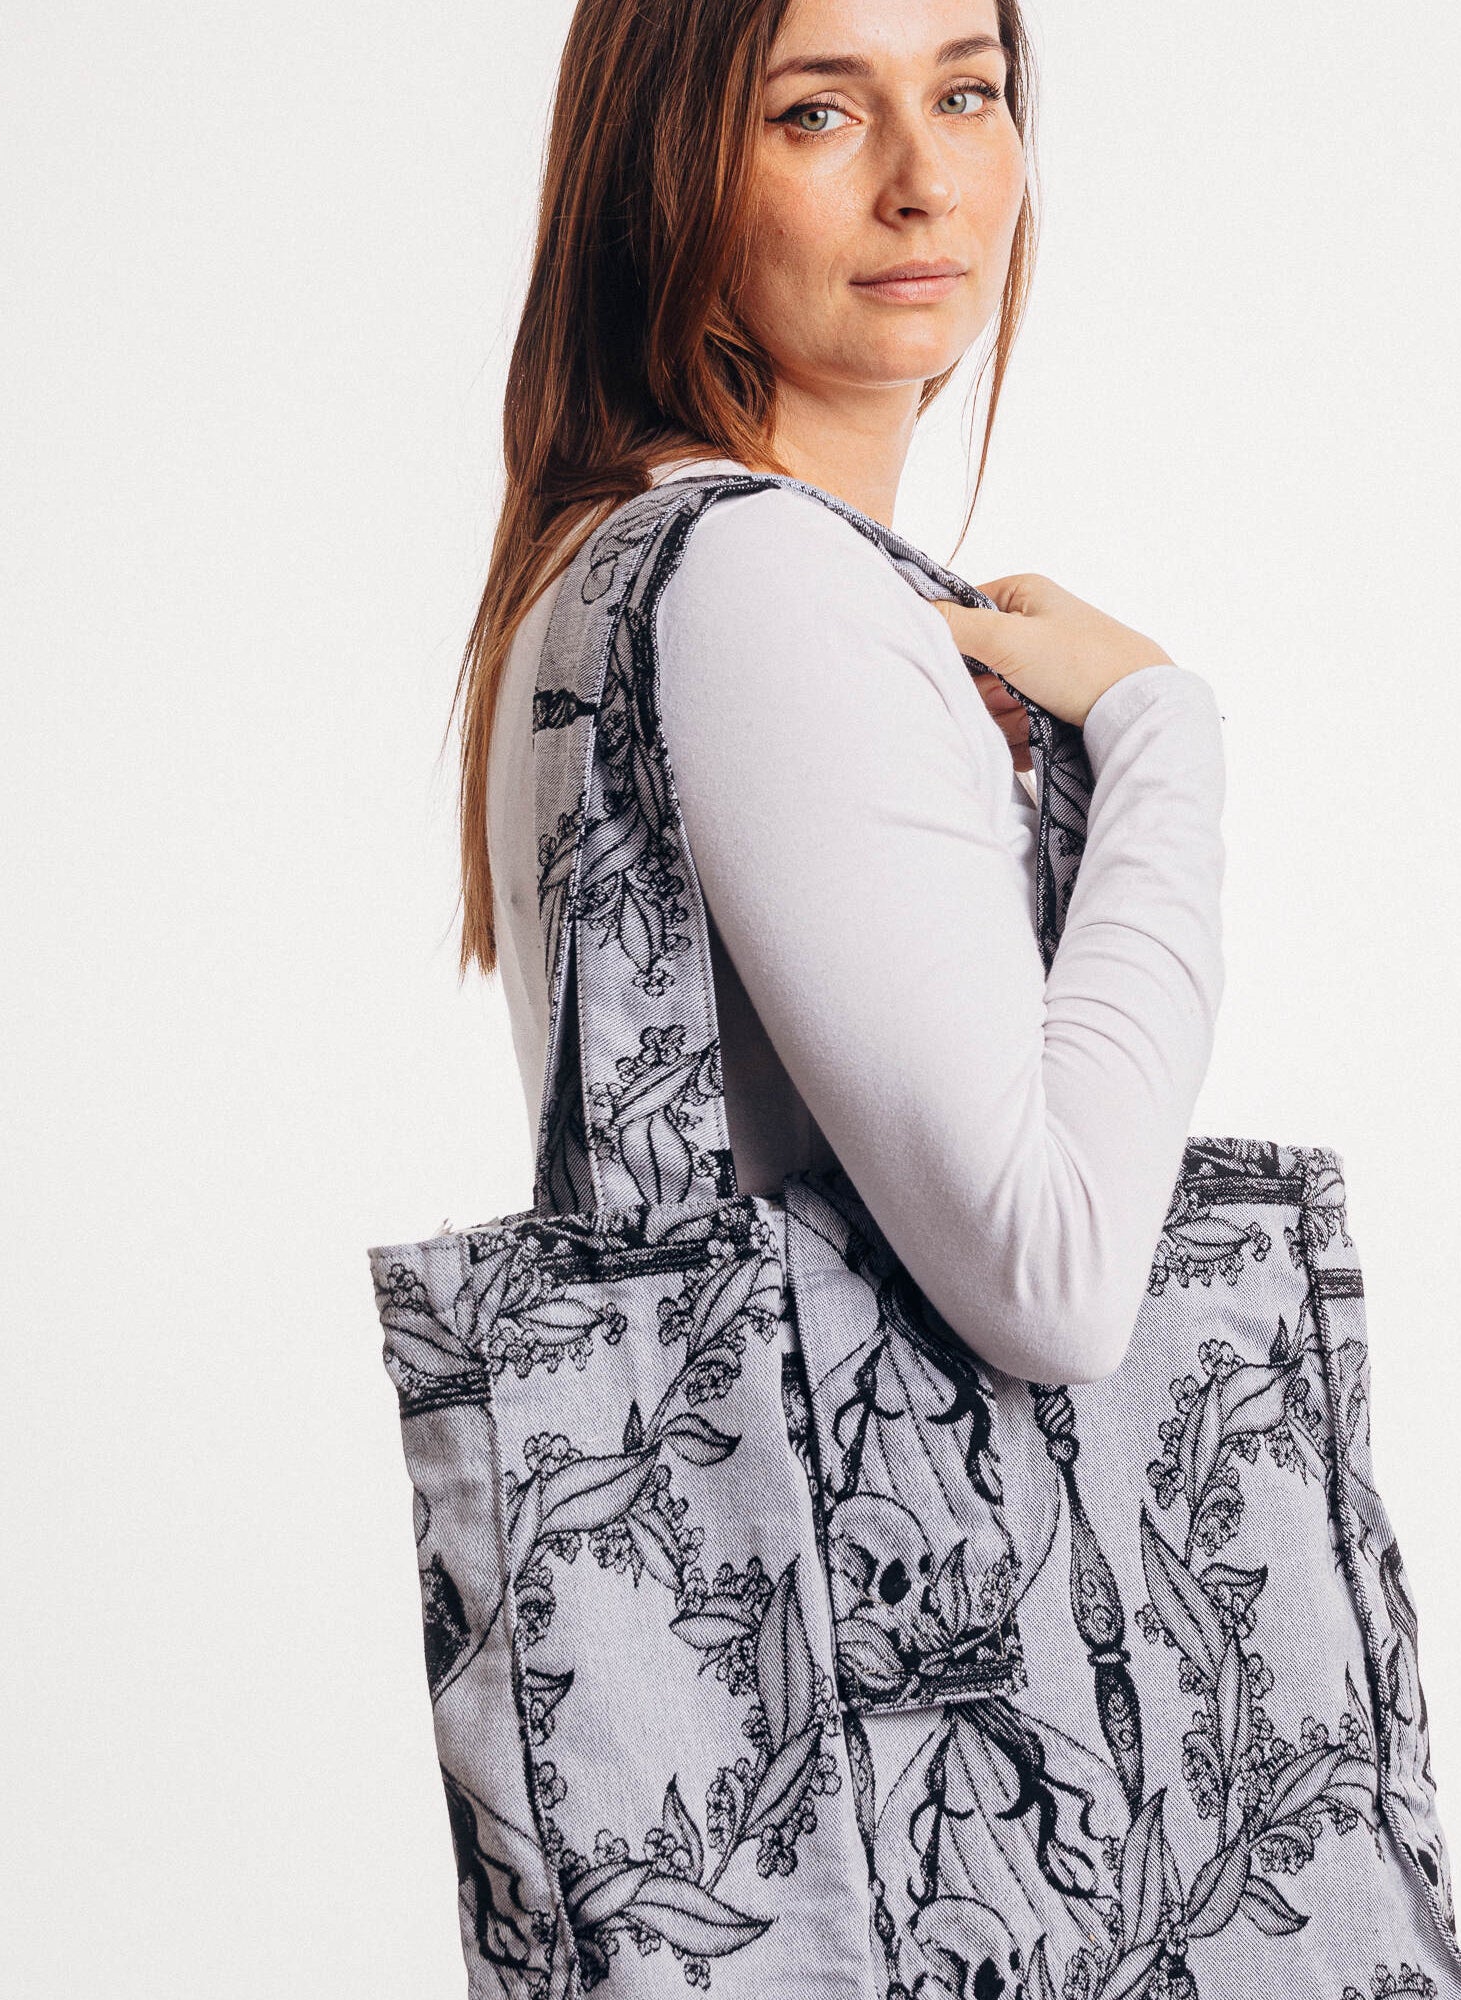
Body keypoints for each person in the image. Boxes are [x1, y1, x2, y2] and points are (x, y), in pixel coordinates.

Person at [455, 0, 1227, 1385]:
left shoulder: (621, 555)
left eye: (966, 96)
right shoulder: (759, 574)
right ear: (665, 169)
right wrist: (1155, 727)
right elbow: (1053, 1284)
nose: (923, 184)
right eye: (816, 110)